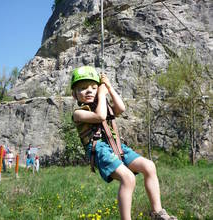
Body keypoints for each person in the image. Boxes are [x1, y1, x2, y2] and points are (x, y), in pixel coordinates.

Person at [70, 66, 177, 220]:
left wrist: (109, 87)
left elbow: (121, 108)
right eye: (82, 88)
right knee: (128, 178)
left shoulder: (103, 106)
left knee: (149, 166)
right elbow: (100, 116)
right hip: (99, 149)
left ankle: (158, 213)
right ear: (74, 94)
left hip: (116, 145)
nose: (89, 91)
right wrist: (101, 94)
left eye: (93, 87)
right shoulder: (78, 113)